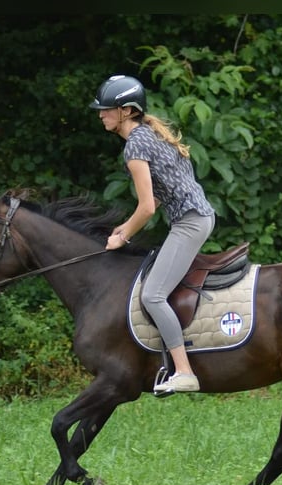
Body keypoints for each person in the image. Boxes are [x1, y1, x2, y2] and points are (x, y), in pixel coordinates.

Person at [90, 74, 215, 393]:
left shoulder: (135, 145)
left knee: (152, 295)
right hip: (196, 217)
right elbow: (158, 197)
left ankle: (185, 372)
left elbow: (146, 208)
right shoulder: (149, 136)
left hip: (190, 222)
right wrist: (126, 226)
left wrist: (121, 237)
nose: (101, 114)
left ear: (127, 111)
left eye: (106, 109)